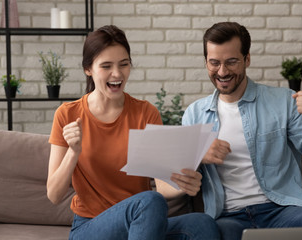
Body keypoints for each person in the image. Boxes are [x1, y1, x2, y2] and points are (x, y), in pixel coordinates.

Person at [46, 25, 220, 240]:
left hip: (141, 221)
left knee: (201, 224)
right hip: (90, 227)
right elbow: (53, 195)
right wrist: (73, 152)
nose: (117, 74)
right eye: (106, 66)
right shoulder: (67, 114)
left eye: (124, 64)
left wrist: (182, 185)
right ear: (88, 69)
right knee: (150, 202)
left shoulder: (145, 113)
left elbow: (162, 184)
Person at [181, 21, 302, 240]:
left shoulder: (283, 102)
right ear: (206, 62)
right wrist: (197, 155)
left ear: (247, 59)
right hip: (228, 216)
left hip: (282, 209)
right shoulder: (194, 114)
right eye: (214, 63)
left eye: (231, 62)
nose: (222, 72)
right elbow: (181, 177)